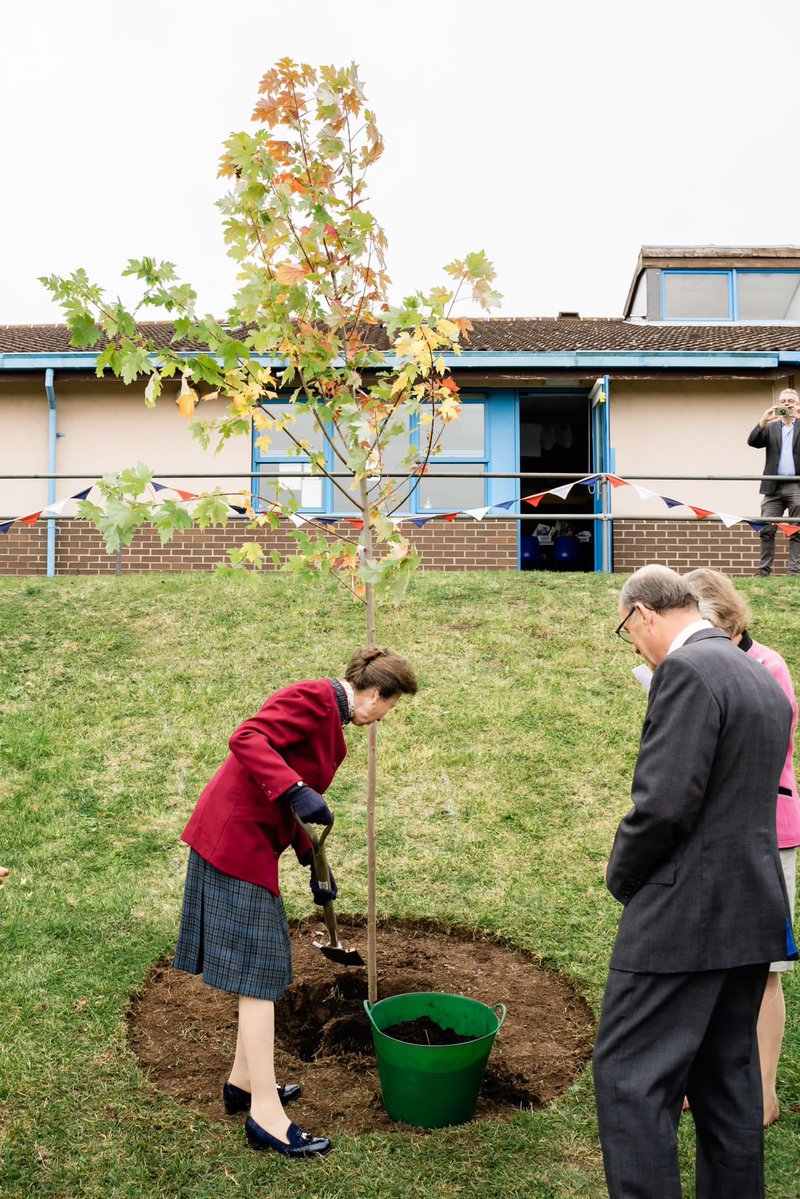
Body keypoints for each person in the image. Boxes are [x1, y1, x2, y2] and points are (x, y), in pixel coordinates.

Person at [594, 565, 797, 1199]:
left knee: (630, 1077)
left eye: (627, 632)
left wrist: (622, 877)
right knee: (727, 1083)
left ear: (643, 614)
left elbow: (663, 806)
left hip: (684, 918)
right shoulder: (758, 673)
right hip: (752, 912)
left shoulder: (685, 670)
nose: (634, 647)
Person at [173, 647, 418, 1159]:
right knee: (260, 978)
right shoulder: (313, 698)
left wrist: (312, 858)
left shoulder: (333, 724)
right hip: (232, 844)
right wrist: (296, 786)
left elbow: (289, 803)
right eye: (388, 708)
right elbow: (246, 738)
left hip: (252, 844)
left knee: (259, 973)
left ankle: (242, 1084)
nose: (383, 718)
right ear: (376, 694)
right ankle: (266, 1116)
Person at [684, 567, 800, 1126]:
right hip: (709, 837)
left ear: (725, 622)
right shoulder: (692, 666)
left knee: (762, 969)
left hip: (765, 836)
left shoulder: (767, 666)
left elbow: (763, 751)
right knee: (707, 965)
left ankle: (763, 1092)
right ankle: (706, 1082)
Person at [747, 388, 800, 576]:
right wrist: (764, 419)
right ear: (778, 404)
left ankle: (795, 573)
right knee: (766, 528)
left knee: (797, 529)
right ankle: (764, 572)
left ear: (797, 404)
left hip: (796, 485)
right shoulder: (771, 427)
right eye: (783, 401)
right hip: (772, 485)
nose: (786, 404)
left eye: (790, 401)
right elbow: (752, 442)